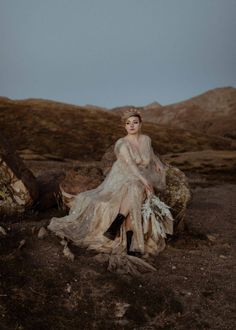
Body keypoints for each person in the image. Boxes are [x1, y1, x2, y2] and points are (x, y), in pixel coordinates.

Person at [48, 108, 173, 273]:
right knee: (136, 188)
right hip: (123, 175)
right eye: (128, 123)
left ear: (141, 124)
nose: (132, 126)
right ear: (124, 127)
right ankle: (129, 242)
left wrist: (156, 162)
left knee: (136, 190)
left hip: (141, 175)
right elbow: (130, 166)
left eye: (135, 122)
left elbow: (149, 154)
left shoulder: (146, 139)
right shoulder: (122, 143)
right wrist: (143, 181)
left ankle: (118, 225)